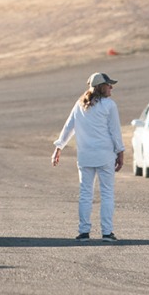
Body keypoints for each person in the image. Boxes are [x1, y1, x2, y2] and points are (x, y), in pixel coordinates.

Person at [51, 71, 126, 242]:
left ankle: (84, 232)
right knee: (107, 194)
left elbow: (69, 126)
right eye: (108, 85)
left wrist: (59, 147)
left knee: (85, 194)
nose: (111, 87)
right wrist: (120, 152)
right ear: (101, 87)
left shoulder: (79, 105)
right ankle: (107, 232)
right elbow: (115, 131)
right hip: (105, 155)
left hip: (85, 156)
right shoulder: (109, 105)